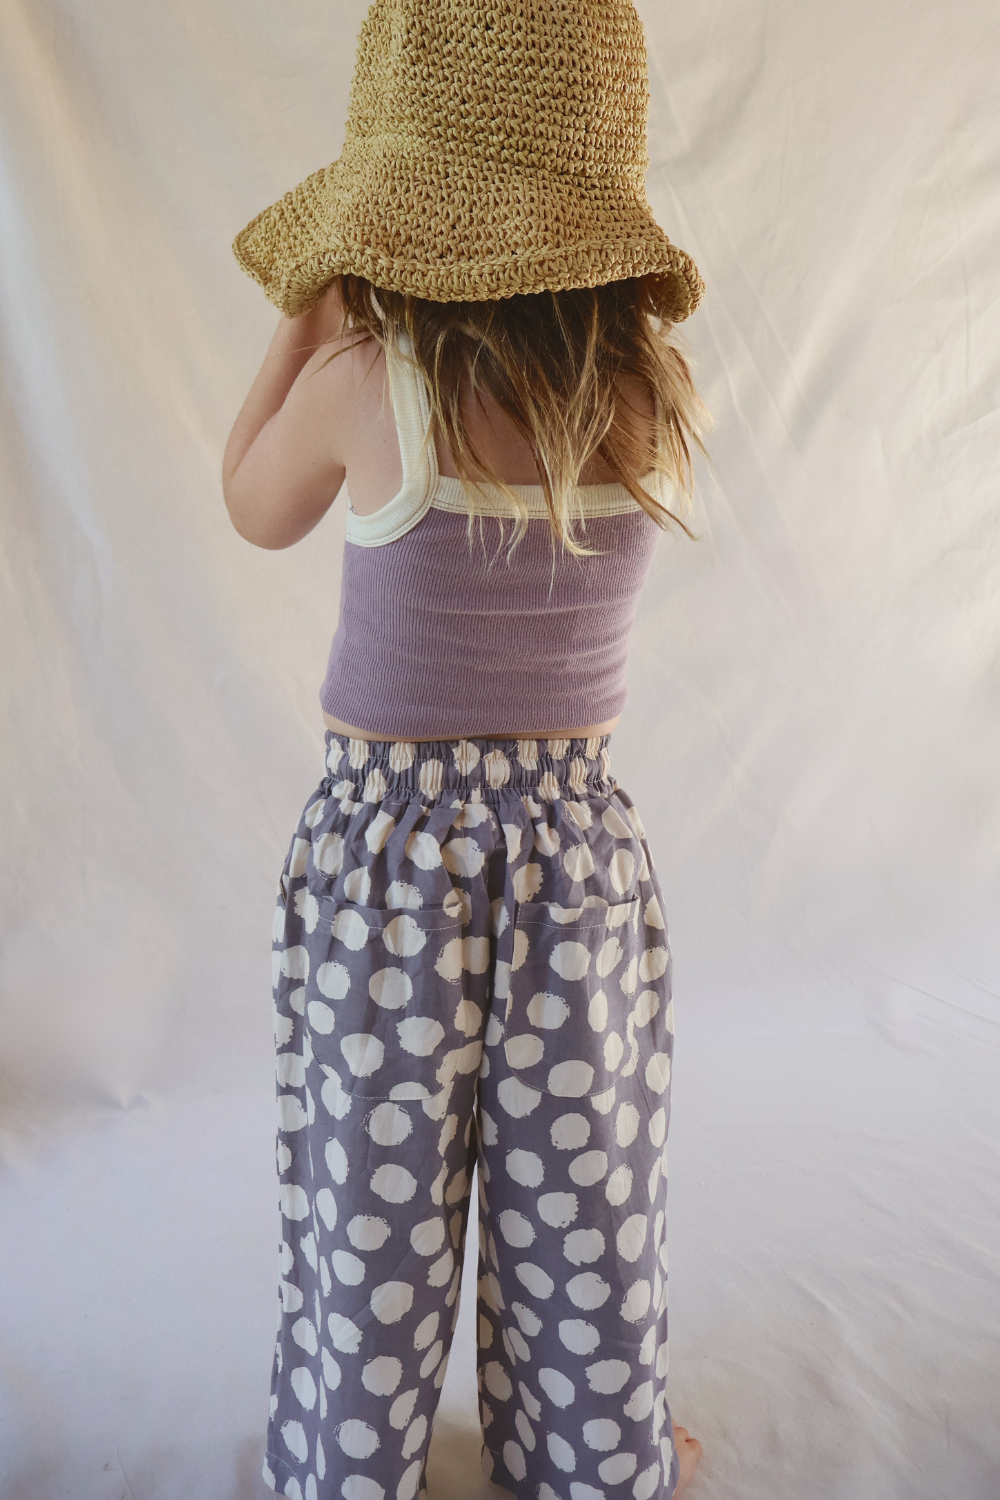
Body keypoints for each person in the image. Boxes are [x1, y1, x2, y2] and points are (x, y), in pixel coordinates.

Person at [222, 3, 710, 1497]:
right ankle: (596, 1450)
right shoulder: (646, 398)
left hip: (388, 863)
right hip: (576, 858)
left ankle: (346, 1459)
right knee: (587, 1201)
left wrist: (310, 305)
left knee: (367, 1211)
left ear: (399, 202)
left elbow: (249, 501)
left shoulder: (363, 382)